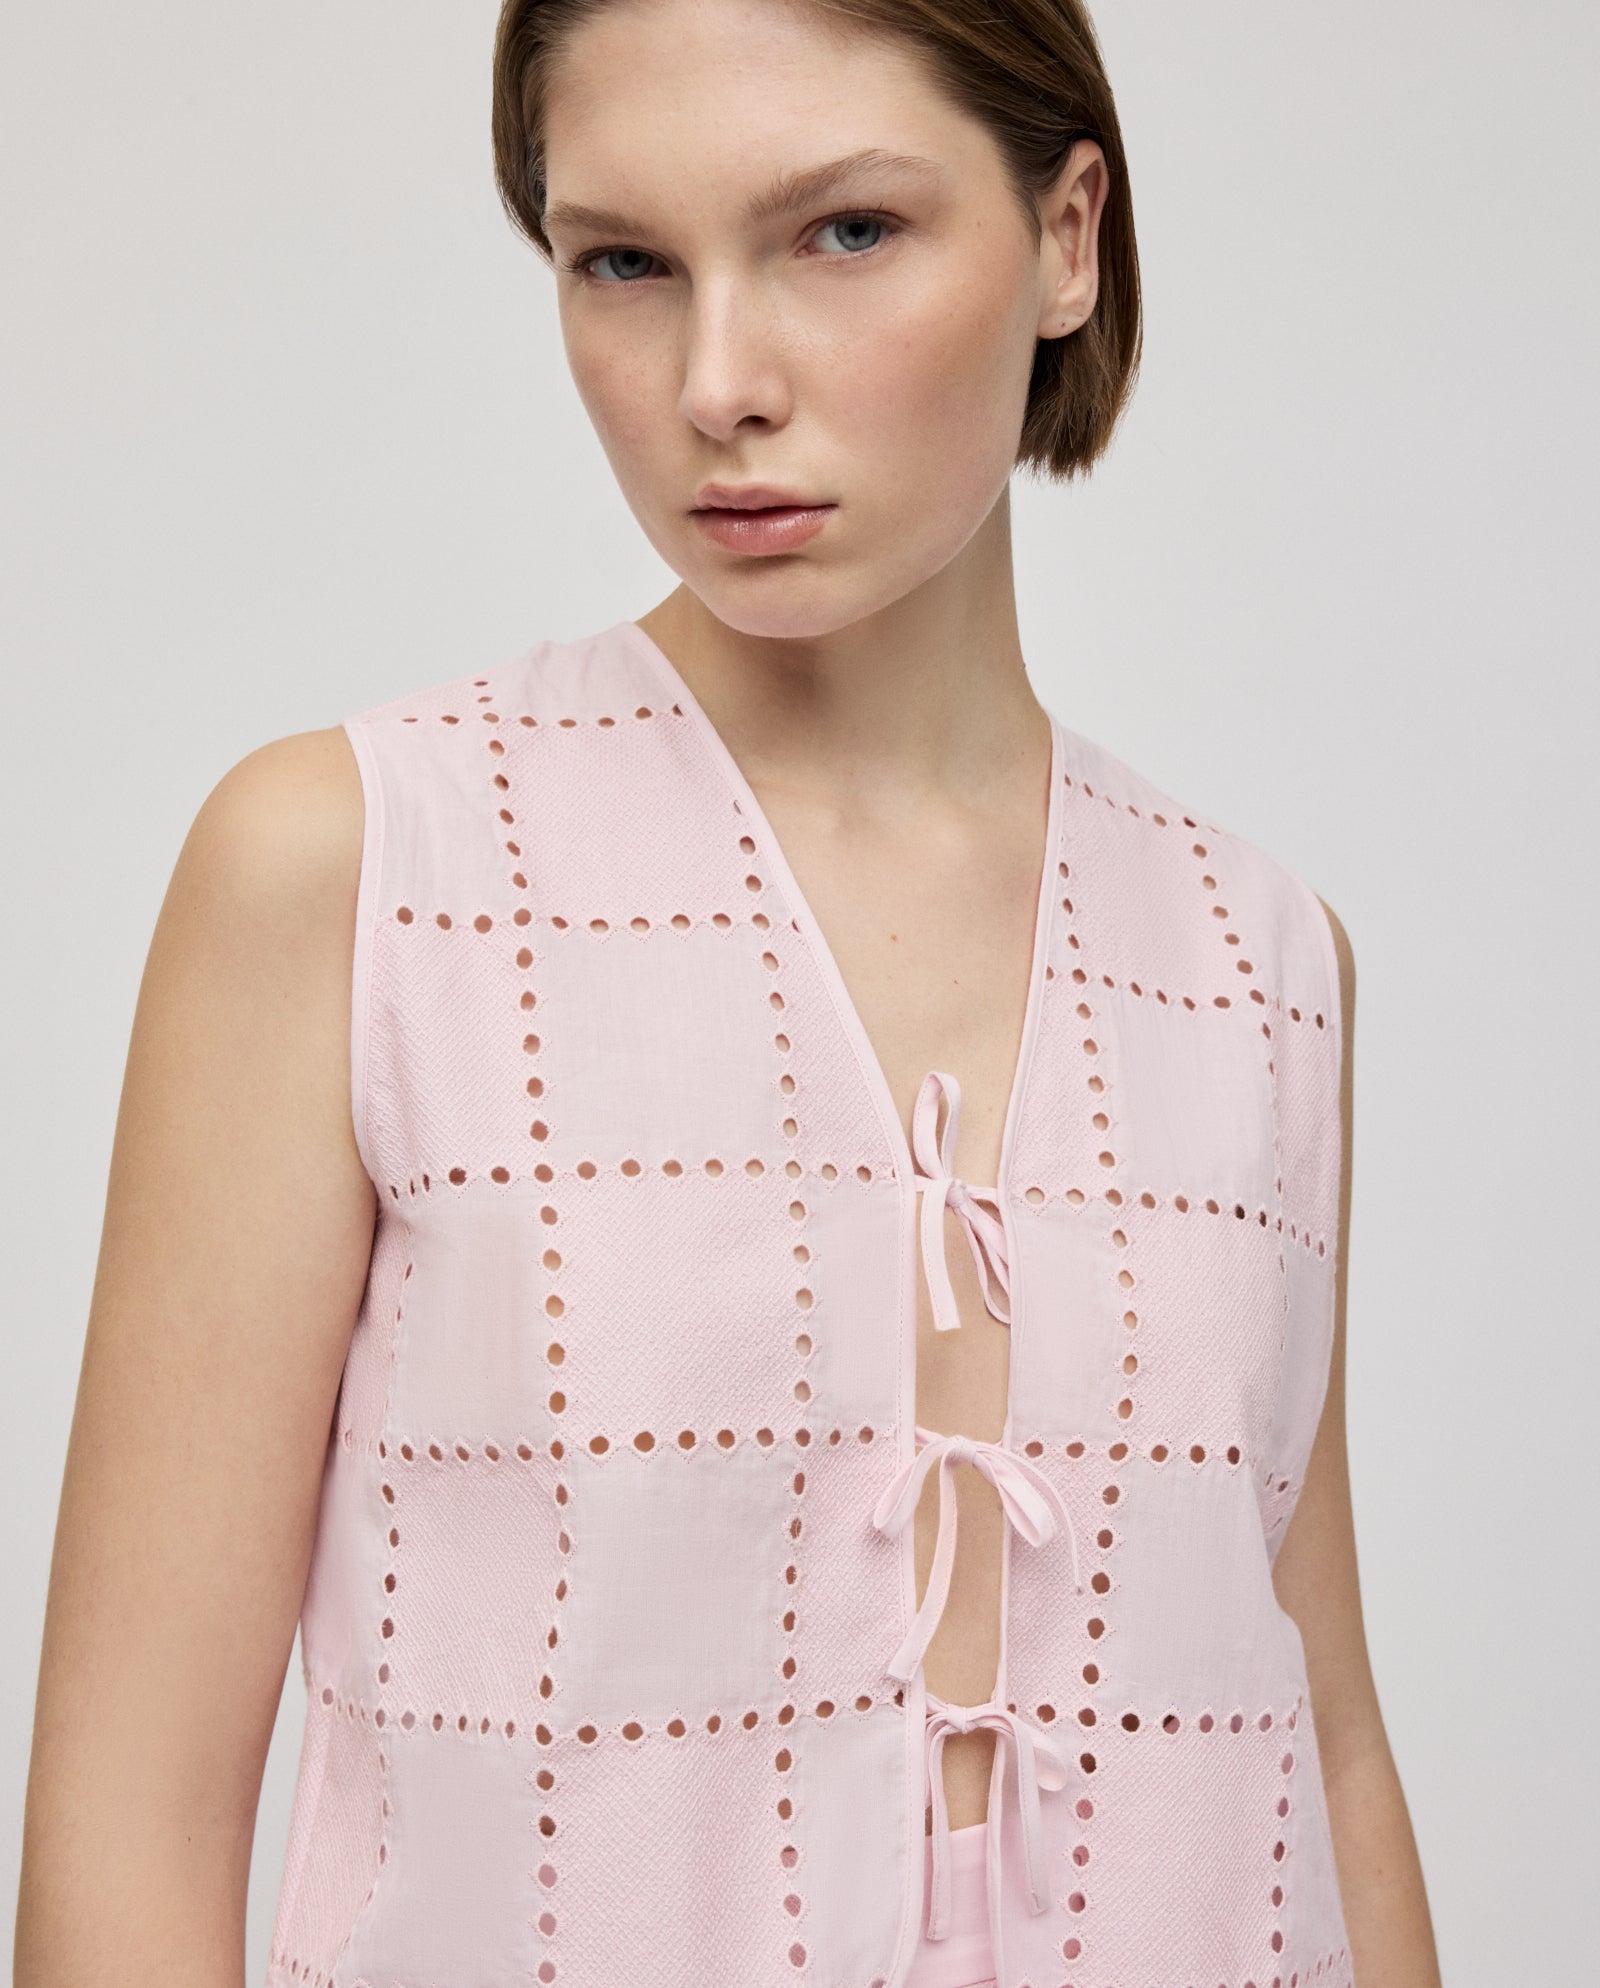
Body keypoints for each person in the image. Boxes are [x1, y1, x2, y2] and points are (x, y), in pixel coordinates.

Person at [15, 1, 1443, 1984]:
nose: (714, 382)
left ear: (1065, 235)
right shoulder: (359, 875)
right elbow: (128, 1845)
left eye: (841, 232)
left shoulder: (1258, 959)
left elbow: (1319, 1737)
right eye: (620, 261)